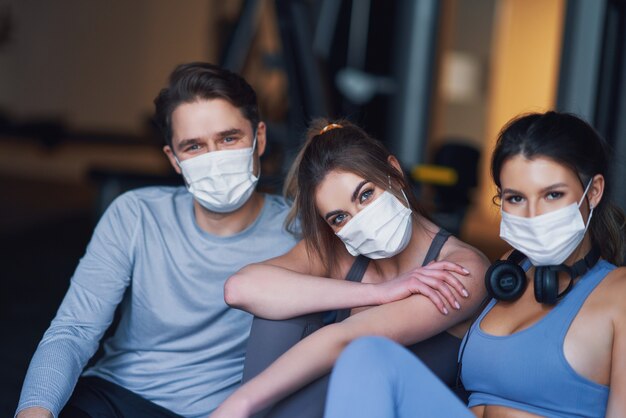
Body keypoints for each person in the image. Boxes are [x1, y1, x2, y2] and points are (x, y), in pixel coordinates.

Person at [14, 62, 301, 418]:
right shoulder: (135, 214)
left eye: (229, 138)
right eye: (194, 146)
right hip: (116, 397)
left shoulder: (299, 230)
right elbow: (74, 330)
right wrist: (34, 413)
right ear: (174, 159)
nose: (214, 159)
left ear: (258, 138)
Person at [324, 111, 626, 418]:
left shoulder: (619, 292)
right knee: (366, 354)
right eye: (516, 198)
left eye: (552, 195)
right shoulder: (509, 273)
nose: (533, 214)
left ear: (594, 191)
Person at [210, 119, 490, 418]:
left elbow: (346, 338)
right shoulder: (341, 253)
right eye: (339, 218)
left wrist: (240, 403)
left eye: (366, 194)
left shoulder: (464, 268)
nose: (360, 220)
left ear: (394, 172)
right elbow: (240, 288)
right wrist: (379, 292)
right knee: (276, 314)